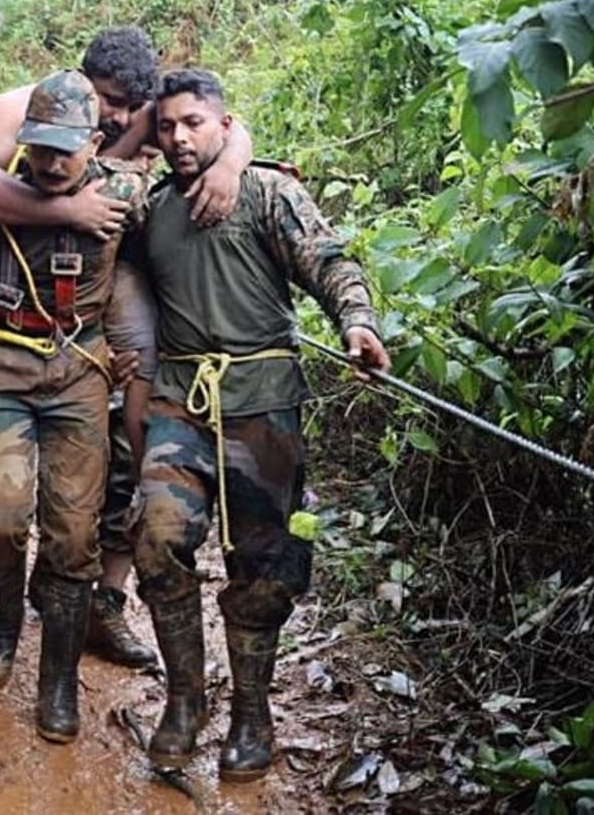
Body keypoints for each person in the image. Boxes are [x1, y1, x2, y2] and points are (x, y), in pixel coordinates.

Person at [0, 26, 258, 670]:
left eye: (131, 108)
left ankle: (99, 596)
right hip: (1, 255)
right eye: (108, 100)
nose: (121, 116)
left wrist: (235, 162)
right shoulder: (20, 109)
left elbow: (218, 128)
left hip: (101, 273)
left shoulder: (144, 126)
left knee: (128, 409)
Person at [130, 69, 390, 782]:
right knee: (156, 538)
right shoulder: (149, 209)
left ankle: (251, 712)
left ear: (224, 123)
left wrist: (358, 324)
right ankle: (184, 700)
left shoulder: (271, 193)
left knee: (268, 569)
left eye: (194, 123)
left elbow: (331, 264)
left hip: (264, 404)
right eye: (167, 126)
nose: (180, 137)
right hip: (182, 401)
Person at [0, 70, 151, 743]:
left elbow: (167, 252)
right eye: (37, 146)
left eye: (62, 151)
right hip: (1, 366)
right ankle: (6, 618)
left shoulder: (125, 191)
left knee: (74, 535)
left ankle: (58, 682)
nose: (47, 163)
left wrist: (139, 340)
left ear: (95, 142)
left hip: (81, 375)